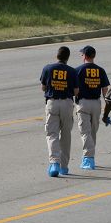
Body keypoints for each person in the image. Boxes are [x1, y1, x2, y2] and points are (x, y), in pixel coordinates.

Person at [40, 46, 78, 177]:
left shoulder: (47, 68)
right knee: (66, 134)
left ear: (57, 56)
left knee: (52, 134)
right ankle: (64, 166)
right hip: (67, 103)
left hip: (52, 102)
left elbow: (43, 87)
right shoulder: (72, 71)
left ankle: (54, 162)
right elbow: (76, 91)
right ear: (67, 58)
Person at [74, 45, 110, 170]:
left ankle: (88, 158)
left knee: (85, 132)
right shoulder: (101, 70)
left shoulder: (77, 70)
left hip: (83, 103)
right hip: (96, 104)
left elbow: (74, 89)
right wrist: (107, 107)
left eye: (81, 54)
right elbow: (105, 90)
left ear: (84, 56)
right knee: (92, 131)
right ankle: (90, 156)